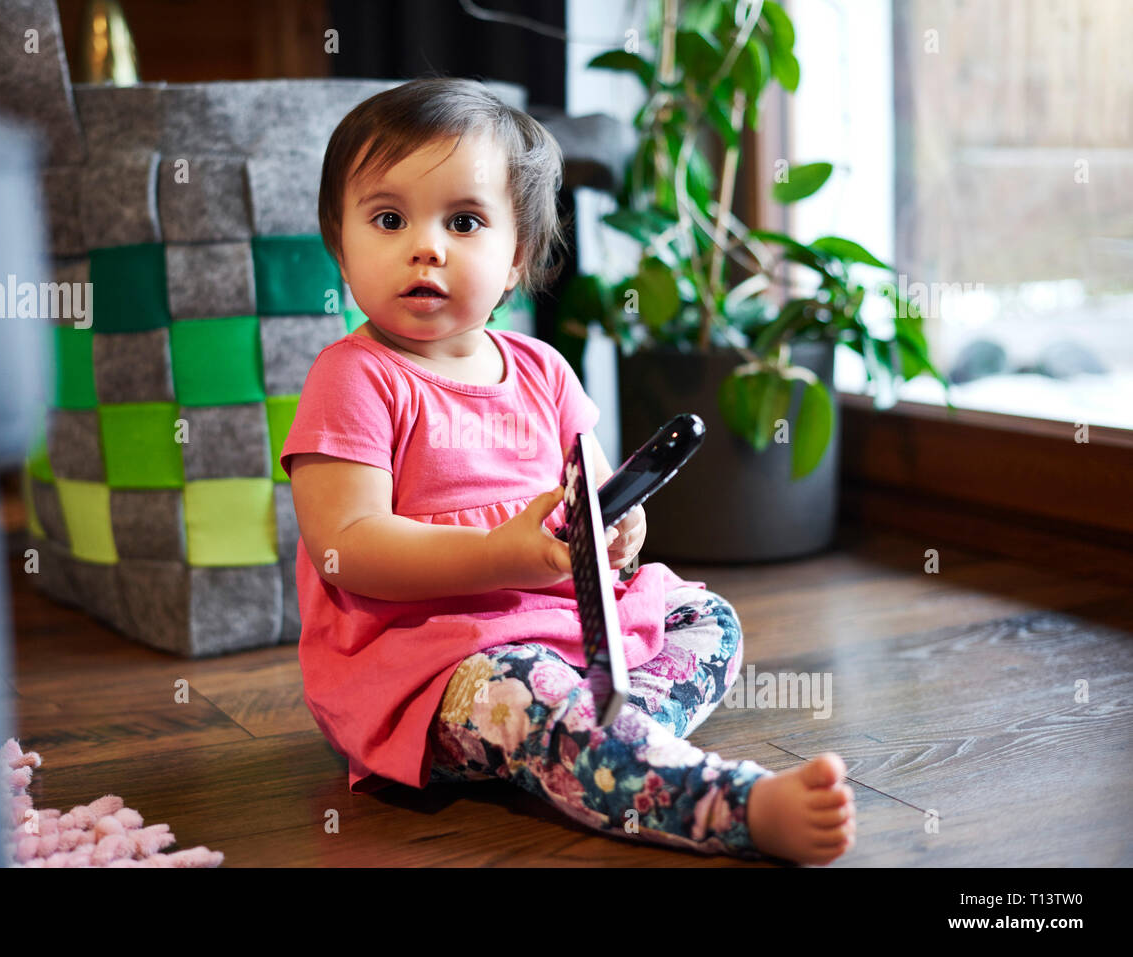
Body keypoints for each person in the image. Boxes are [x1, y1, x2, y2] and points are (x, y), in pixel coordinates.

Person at [279, 77, 856, 865]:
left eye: (464, 221)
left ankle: (596, 742)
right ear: (340, 246)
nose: (426, 246)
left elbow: (595, 494)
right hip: (436, 664)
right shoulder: (354, 378)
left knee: (709, 619)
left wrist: (619, 526)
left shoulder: (544, 370)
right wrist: (500, 554)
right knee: (530, 692)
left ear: (515, 257)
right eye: (388, 219)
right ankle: (731, 804)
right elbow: (348, 546)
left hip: (569, 630)